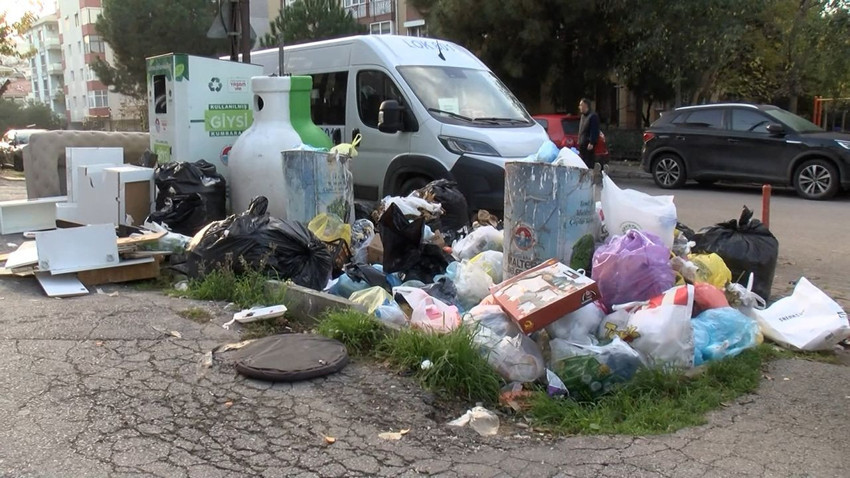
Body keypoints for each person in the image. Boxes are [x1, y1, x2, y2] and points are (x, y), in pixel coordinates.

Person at [577, 98, 600, 169]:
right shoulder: (583, 116)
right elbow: (581, 130)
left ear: (585, 106)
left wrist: (592, 142)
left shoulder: (593, 116)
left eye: (581, 105)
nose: (579, 107)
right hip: (582, 144)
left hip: (588, 145)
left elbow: (594, 130)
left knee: (588, 163)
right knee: (582, 163)